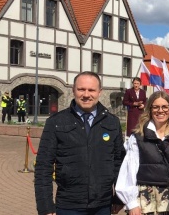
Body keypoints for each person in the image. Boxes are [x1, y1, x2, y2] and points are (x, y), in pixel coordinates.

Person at [34, 71, 124, 215]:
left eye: (91, 90)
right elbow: (43, 166)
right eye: (81, 89)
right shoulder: (56, 122)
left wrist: (119, 198)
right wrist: (45, 206)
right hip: (69, 204)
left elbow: (119, 163)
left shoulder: (112, 122)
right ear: (73, 91)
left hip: (102, 205)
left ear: (99, 92)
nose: (86, 94)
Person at [115, 91, 169, 215]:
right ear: (149, 109)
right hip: (144, 200)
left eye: (165, 107)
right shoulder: (138, 137)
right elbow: (129, 171)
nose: (160, 111)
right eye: (156, 107)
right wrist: (132, 203)